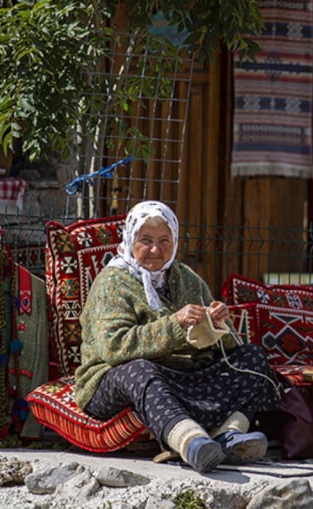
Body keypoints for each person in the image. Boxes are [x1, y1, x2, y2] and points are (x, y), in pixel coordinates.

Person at [74, 201, 279, 472]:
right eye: (146, 240)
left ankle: (228, 435)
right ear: (130, 239)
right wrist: (176, 323)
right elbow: (114, 348)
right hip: (115, 381)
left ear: (175, 241)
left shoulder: (187, 278)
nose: (156, 250)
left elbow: (226, 350)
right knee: (140, 370)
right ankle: (191, 443)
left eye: (164, 241)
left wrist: (219, 324)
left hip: (183, 376)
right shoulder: (113, 283)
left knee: (252, 358)